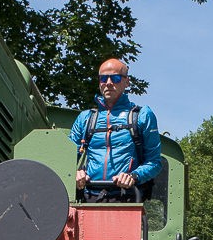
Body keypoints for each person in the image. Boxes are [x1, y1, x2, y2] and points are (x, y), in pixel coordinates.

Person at [69, 58, 162, 201]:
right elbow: (64, 158)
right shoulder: (85, 118)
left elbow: (154, 162)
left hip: (126, 197)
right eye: (103, 78)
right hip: (88, 197)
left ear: (127, 82)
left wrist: (133, 176)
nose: (108, 83)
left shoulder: (143, 115)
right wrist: (74, 173)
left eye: (115, 78)